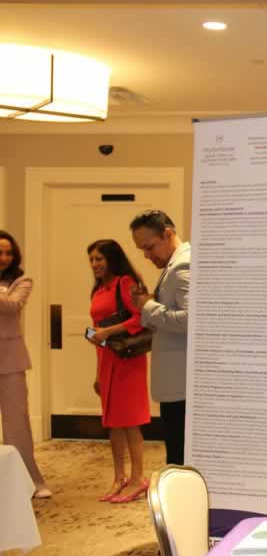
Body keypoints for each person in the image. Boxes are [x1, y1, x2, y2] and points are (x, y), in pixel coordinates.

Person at [87, 240, 151, 503]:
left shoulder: (125, 283)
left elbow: (141, 317)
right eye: (91, 260)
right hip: (106, 359)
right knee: (113, 422)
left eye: (99, 259)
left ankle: (138, 479)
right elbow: (96, 332)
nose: (94, 264)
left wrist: (108, 331)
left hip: (127, 360)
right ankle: (119, 477)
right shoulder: (99, 289)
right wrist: (97, 372)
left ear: (112, 258)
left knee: (129, 421)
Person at [129, 211, 190, 466]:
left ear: (167, 234)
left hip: (181, 384)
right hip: (176, 383)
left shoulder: (183, 265)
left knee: (178, 458)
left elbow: (191, 320)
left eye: (149, 246)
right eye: (142, 249)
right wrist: (147, 304)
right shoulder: (174, 265)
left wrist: (148, 306)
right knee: (175, 455)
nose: (146, 255)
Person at [0, 231, 51, 499]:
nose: (4, 258)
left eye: (9, 253)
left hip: (11, 360)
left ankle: (31, 481)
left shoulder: (22, 281)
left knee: (17, 424)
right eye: (0, 253)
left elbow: (12, 305)